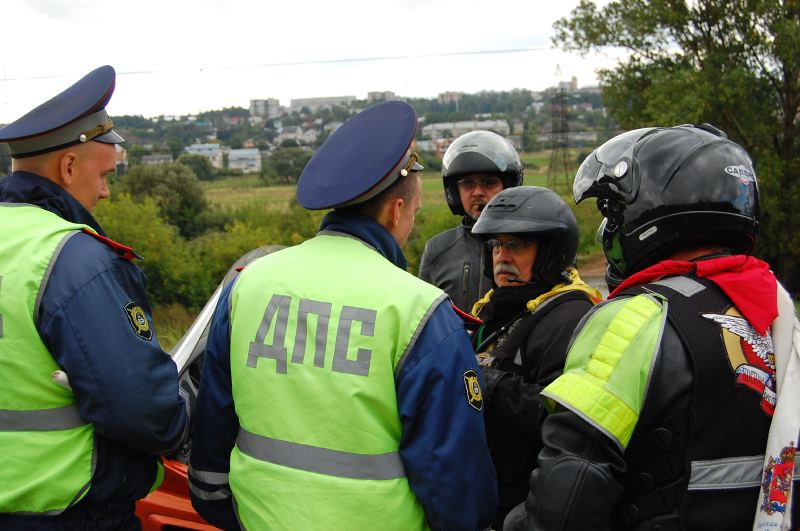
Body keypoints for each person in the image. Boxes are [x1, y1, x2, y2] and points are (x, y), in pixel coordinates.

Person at [188, 101, 497, 530]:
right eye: (413, 211)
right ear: (395, 210)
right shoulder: (420, 313)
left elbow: (212, 434)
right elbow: (456, 487)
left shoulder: (247, 284)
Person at [517, 124, 799, 530]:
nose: (607, 230)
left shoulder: (636, 318)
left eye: (611, 213)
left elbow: (568, 494)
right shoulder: (778, 316)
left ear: (650, 213)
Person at [0, 65, 190, 529]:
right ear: (68, 167)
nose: (105, 192)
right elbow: (142, 411)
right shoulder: (74, 258)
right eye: (105, 175)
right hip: (64, 511)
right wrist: (183, 418)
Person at [466, 186, 600, 529]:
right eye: (497, 245)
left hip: (523, 506)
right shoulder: (496, 309)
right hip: (483, 493)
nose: (502, 256)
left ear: (551, 254)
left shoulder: (569, 317)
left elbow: (563, 421)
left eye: (517, 245)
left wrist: (490, 382)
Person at [419, 130, 523, 311]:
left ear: (508, 187)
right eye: (467, 184)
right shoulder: (437, 251)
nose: (477, 192)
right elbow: (421, 317)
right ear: (455, 191)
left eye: (488, 183)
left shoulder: (532, 244)